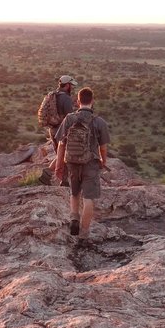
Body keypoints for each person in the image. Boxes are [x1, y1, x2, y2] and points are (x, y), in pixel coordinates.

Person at [53, 86, 111, 240]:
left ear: (78, 101)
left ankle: (74, 218)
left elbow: (61, 144)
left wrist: (59, 166)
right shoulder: (99, 122)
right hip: (90, 163)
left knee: (74, 192)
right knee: (88, 198)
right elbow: (103, 146)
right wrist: (102, 161)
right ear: (92, 101)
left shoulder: (69, 119)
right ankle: (83, 233)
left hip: (71, 161)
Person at [41, 75, 79, 185]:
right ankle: (49, 172)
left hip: (52, 129)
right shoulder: (66, 98)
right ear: (67, 85)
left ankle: (64, 180)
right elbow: (69, 116)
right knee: (65, 154)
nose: (72, 87)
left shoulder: (53, 95)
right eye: (71, 85)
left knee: (60, 154)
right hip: (62, 130)